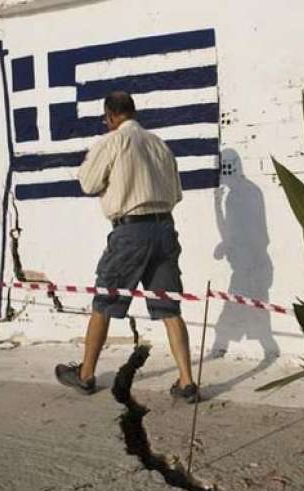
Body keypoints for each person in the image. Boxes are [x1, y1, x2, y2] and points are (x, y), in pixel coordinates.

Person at [54, 91, 198, 402]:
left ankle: (86, 374)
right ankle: (186, 381)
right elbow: (175, 193)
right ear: (133, 111)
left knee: (104, 301)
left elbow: (88, 184)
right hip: (165, 228)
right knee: (169, 307)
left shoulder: (112, 142)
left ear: (110, 116)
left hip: (131, 231)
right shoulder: (160, 144)